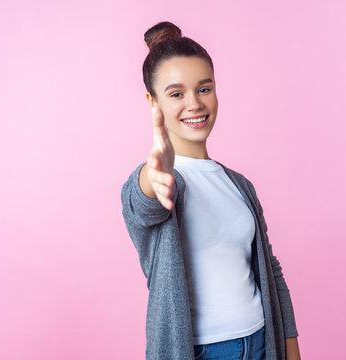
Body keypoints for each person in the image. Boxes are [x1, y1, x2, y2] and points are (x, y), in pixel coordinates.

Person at [121, 21, 301, 360]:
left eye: (204, 89)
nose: (194, 104)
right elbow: (143, 204)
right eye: (176, 94)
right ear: (153, 102)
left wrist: (290, 348)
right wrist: (152, 174)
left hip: (261, 342)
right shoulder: (162, 180)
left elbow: (270, 270)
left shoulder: (239, 185)